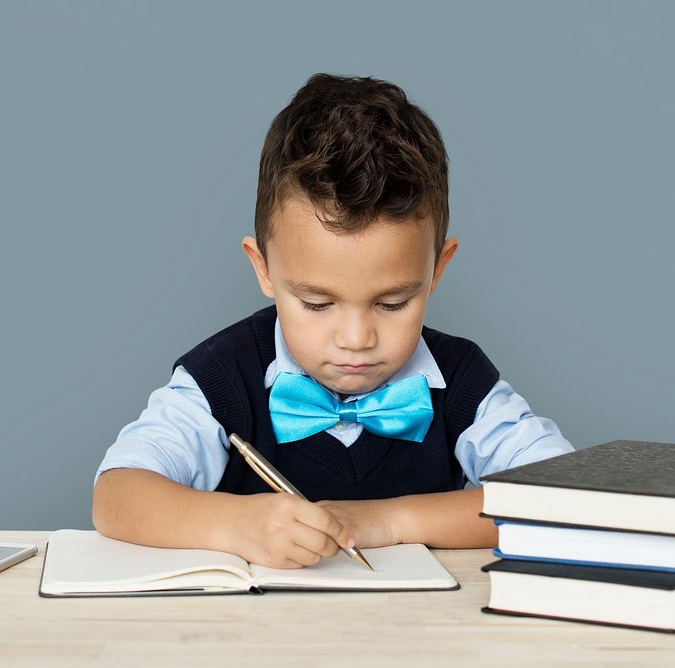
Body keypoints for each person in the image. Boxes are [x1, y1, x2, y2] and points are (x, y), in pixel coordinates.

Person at [92, 73, 574, 569]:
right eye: (318, 304)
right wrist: (233, 524)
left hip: (422, 639)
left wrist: (391, 522)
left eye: (392, 304)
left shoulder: (463, 379)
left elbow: (565, 498)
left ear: (437, 270)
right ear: (264, 269)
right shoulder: (223, 375)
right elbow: (117, 496)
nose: (356, 339)